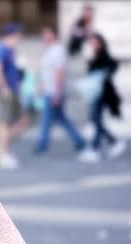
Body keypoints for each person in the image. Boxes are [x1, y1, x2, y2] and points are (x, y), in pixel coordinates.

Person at [34, 25, 86, 154]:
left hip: (54, 91)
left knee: (47, 119)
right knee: (62, 119)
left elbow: (59, 72)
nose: (44, 36)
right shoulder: (49, 50)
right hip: (49, 90)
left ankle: (42, 145)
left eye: (46, 34)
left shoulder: (58, 51)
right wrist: (41, 86)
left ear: (53, 34)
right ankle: (80, 141)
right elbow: (46, 72)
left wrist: (57, 92)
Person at [79, 33, 126, 163]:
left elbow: (113, 65)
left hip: (102, 94)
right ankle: (112, 143)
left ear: (100, 43)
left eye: (94, 42)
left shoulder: (103, 55)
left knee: (97, 121)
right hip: (96, 93)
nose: (92, 44)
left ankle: (97, 148)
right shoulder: (95, 55)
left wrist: (104, 74)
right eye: (91, 42)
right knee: (97, 122)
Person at [0, 23, 30, 169]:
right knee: (5, 123)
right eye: (18, 34)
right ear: (11, 35)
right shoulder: (3, 49)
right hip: (7, 91)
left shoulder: (10, 51)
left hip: (13, 90)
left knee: (20, 121)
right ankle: (2, 153)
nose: (20, 37)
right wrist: (4, 87)